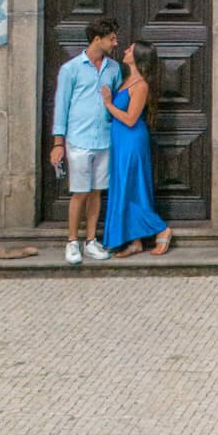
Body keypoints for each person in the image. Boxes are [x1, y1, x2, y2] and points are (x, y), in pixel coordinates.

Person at [50, 16, 121, 265]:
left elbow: (118, 100)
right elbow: (61, 106)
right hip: (78, 138)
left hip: (104, 137)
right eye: (111, 38)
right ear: (96, 39)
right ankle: (72, 241)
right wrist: (58, 142)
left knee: (96, 192)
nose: (115, 42)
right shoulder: (71, 69)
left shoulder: (113, 69)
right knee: (79, 192)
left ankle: (91, 241)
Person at [101, 39, 174, 258]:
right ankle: (135, 241)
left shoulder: (140, 85)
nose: (125, 51)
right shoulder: (126, 80)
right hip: (122, 141)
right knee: (125, 187)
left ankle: (161, 229)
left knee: (132, 186)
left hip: (132, 140)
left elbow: (131, 119)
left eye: (130, 50)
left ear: (138, 56)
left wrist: (108, 104)